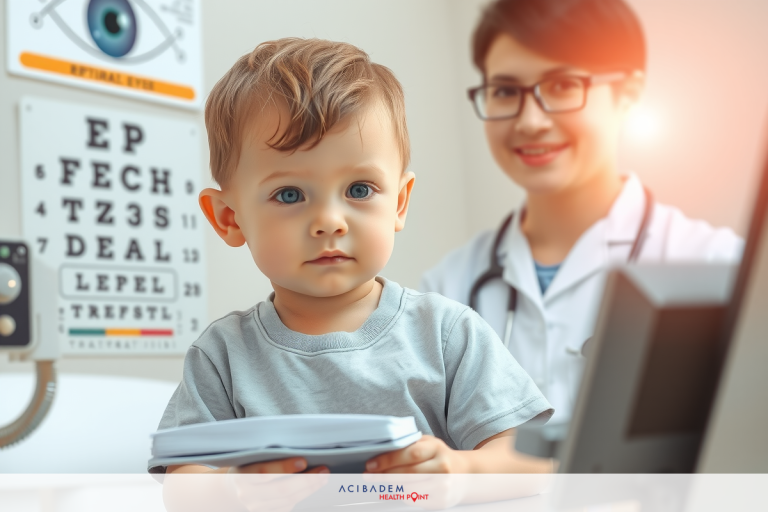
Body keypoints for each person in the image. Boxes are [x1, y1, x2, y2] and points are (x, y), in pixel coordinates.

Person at [152, 38, 554, 508]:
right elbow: (183, 482)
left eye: (359, 189)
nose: (330, 221)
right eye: (289, 195)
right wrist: (232, 488)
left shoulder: (446, 334)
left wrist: (461, 471)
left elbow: (531, 463)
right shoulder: (222, 356)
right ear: (229, 218)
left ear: (399, 202)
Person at [421, 0, 743, 424]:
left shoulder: (717, 265)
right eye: (505, 91)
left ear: (627, 94)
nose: (531, 121)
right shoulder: (447, 288)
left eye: (562, 86)